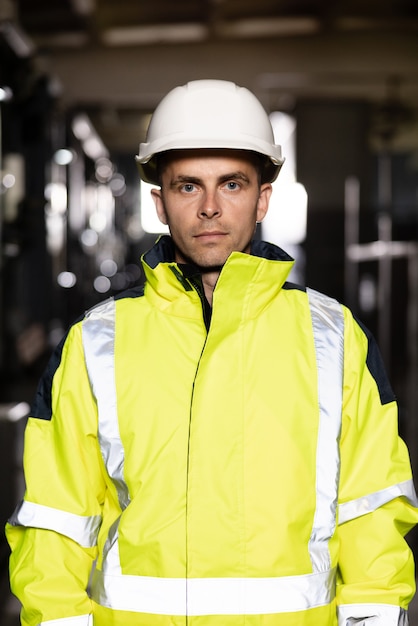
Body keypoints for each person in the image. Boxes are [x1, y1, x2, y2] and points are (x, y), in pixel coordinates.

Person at [5, 79, 418, 626]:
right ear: (160, 202)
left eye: (231, 184)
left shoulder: (333, 337)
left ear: (263, 197)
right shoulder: (95, 343)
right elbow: (55, 524)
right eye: (187, 187)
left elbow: (371, 512)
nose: (209, 209)